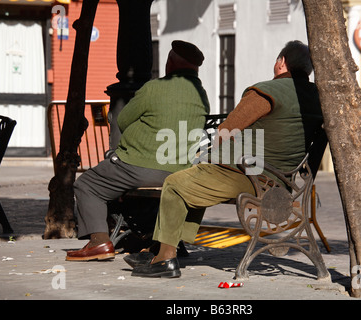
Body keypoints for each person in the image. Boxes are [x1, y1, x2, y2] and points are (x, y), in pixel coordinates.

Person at [128, 40, 324, 278]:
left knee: (175, 184)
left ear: (281, 62)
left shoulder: (266, 92)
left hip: (250, 177)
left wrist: (213, 155)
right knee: (194, 179)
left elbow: (225, 131)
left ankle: (164, 260)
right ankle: (161, 247)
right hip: (281, 183)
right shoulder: (317, 97)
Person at [66, 40, 210, 261]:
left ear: (169, 63)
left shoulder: (154, 88)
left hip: (139, 165)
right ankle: (153, 238)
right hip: (180, 169)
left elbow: (123, 120)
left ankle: (99, 242)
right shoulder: (201, 95)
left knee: (87, 184)